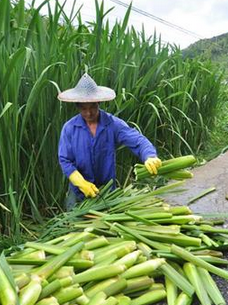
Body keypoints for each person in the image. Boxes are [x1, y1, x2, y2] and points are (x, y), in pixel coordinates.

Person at [57, 73, 162, 209]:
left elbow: (138, 140)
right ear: (78, 107)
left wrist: (150, 156)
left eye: (92, 107)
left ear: (98, 103)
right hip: (79, 193)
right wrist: (80, 182)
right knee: (75, 228)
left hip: (107, 193)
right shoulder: (70, 128)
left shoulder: (112, 124)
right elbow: (65, 160)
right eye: (84, 108)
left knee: (106, 228)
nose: (88, 113)